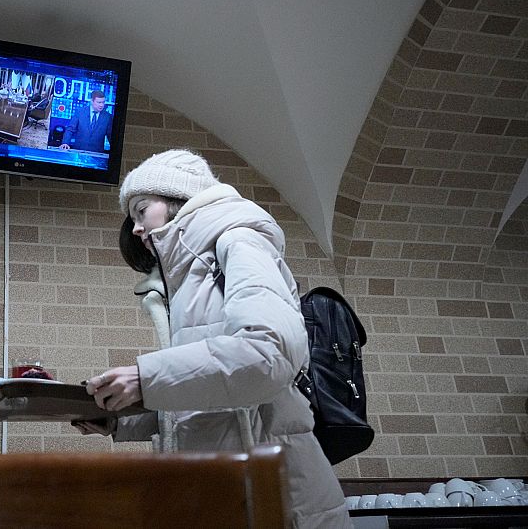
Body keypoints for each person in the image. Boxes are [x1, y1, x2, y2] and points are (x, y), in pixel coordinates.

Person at [72, 149, 351, 528]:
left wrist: (145, 378)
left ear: (178, 198)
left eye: (141, 210)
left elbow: (268, 353)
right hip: (231, 492)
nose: (136, 228)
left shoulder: (239, 242)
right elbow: (210, 400)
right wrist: (119, 418)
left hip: (278, 498)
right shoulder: (188, 281)